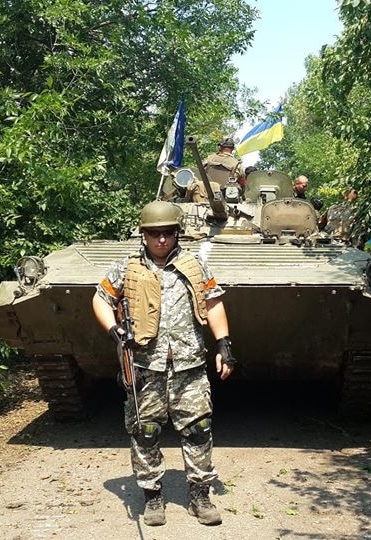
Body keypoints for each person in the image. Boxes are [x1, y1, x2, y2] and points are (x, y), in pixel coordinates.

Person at [91, 201, 236, 527]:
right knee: (145, 432)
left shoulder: (194, 266)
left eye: (168, 233)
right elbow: (101, 298)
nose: (161, 239)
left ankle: (200, 495)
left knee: (199, 430)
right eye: (154, 233)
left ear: (177, 233)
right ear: (144, 234)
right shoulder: (127, 268)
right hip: (145, 366)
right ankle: (152, 495)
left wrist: (224, 344)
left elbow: (213, 303)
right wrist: (115, 331)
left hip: (189, 366)